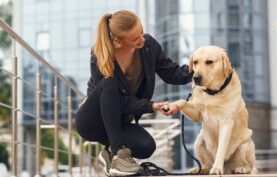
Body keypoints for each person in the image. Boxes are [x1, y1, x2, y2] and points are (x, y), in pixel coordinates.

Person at [75, 10, 193, 176]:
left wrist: (199, 69)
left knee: (146, 146)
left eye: (142, 32)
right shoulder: (100, 56)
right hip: (93, 122)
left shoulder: (148, 47)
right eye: (135, 38)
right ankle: (118, 155)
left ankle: (110, 153)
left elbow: (171, 73)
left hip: (118, 122)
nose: (142, 39)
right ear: (118, 41)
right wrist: (151, 106)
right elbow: (116, 101)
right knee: (109, 83)